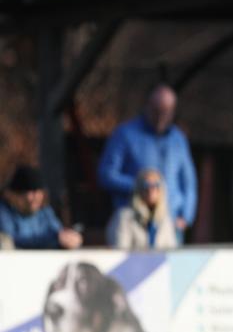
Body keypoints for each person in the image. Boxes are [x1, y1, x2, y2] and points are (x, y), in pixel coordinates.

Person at [97, 84, 197, 240]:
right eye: (156, 111)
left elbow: (189, 183)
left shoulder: (178, 140)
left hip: (170, 222)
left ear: (173, 112)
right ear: (147, 106)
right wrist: (142, 186)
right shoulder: (125, 135)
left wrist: (186, 216)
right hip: (134, 223)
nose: (160, 117)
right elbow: (106, 175)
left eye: (166, 112)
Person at [0, 165, 82, 250]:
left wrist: (69, 238)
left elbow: (58, 233)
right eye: (26, 193)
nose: (32, 198)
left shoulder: (44, 211)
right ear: (11, 195)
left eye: (37, 192)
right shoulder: (3, 212)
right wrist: (53, 240)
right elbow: (10, 241)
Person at [106, 168, 178, 250]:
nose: (151, 190)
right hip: (133, 262)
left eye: (156, 185)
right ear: (139, 188)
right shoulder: (124, 217)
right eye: (146, 185)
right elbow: (120, 252)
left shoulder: (166, 219)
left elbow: (173, 252)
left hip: (160, 262)